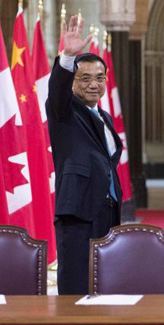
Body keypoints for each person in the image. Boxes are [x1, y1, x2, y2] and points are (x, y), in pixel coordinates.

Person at [46, 16, 123, 294]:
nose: (94, 84)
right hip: (78, 211)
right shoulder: (63, 111)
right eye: (85, 78)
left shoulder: (103, 116)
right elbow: (56, 92)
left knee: (104, 280)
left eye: (99, 78)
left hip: (107, 209)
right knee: (78, 282)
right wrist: (67, 57)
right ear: (73, 81)